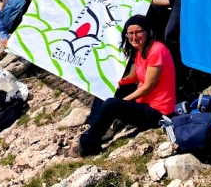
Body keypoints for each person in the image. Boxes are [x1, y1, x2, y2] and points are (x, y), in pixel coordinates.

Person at [68, 14, 176, 157]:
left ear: (148, 32)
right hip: (144, 102)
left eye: (138, 32)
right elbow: (136, 75)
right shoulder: (141, 49)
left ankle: (87, 145)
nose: (134, 37)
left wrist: (123, 101)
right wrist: (119, 82)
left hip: (157, 112)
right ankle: (96, 128)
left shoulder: (157, 50)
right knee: (107, 88)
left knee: (112, 105)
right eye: (130, 33)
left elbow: (148, 86)